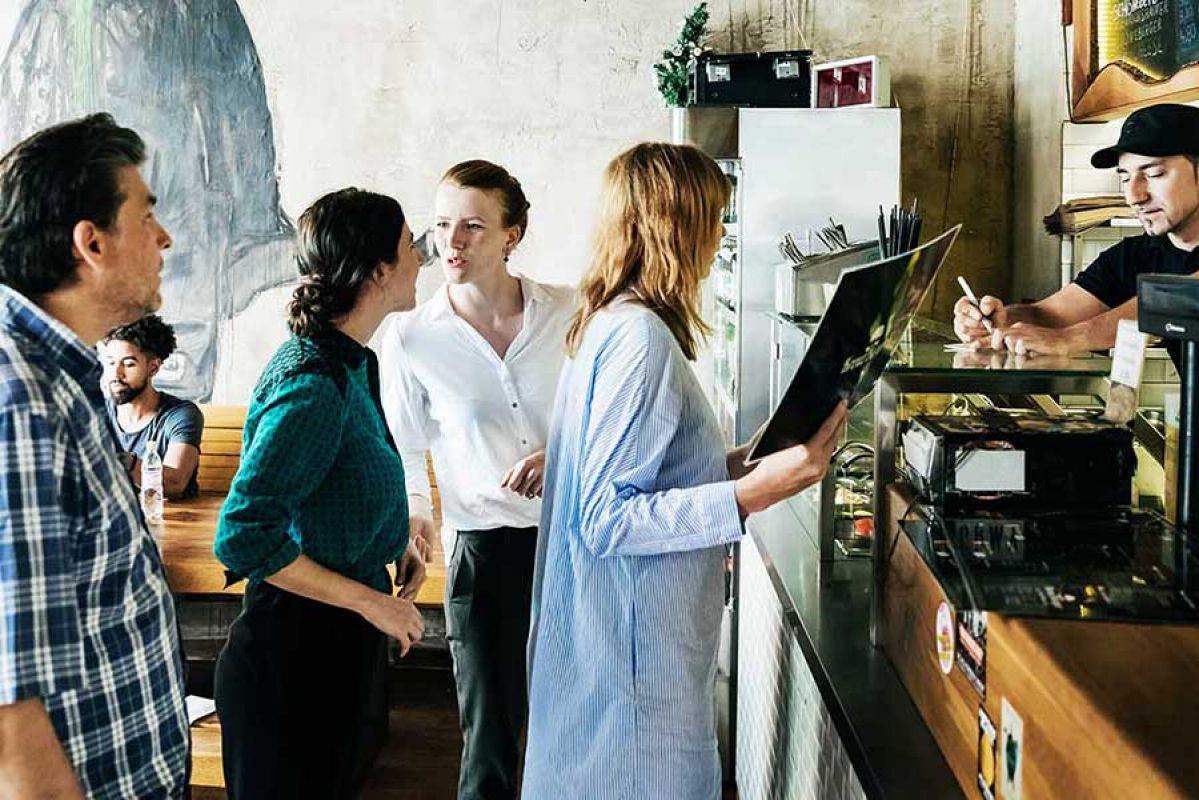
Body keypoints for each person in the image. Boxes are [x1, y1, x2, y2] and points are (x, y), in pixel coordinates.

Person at [521, 142, 847, 799]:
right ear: (676, 224)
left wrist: (749, 458)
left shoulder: (619, 324)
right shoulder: (637, 340)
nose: (720, 237)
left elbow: (657, 469)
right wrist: (748, 495)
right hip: (634, 669)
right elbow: (607, 519)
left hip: (635, 656)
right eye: (713, 219)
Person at [213, 188, 427, 798]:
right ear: (380, 270)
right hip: (292, 662)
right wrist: (372, 601)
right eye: (410, 245)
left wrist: (396, 537)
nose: (420, 259)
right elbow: (244, 537)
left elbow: (346, 480)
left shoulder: (357, 362)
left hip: (340, 649)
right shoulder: (314, 384)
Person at [0, 114, 188, 797]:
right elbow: (8, 715)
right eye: (146, 216)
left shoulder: (58, 378)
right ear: (92, 243)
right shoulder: (18, 397)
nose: (164, 238)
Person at [381, 159, 575, 800]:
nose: (452, 243)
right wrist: (417, 514)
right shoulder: (410, 338)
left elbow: (601, 418)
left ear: (512, 233)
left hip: (574, 544)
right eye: (441, 226)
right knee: (489, 740)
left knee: (573, 726)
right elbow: (407, 447)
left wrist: (561, 454)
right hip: (483, 554)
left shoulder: (570, 313)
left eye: (472, 226)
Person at [955, 103, 1199, 357]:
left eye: (1155, 174)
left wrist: (1068, 339)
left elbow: (1180, 299)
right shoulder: (1136, 255)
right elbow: (1051, 315)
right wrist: (998, 319)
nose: (1134, 196)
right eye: (1125, 178)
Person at [100, 314, 205, 499]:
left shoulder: (181, 414)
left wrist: (115, 456)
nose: (116, 373)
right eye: (110, 362)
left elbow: (175, 483)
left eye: (128, 364)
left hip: (175, 521)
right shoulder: (97, 410)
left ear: (153, 368)